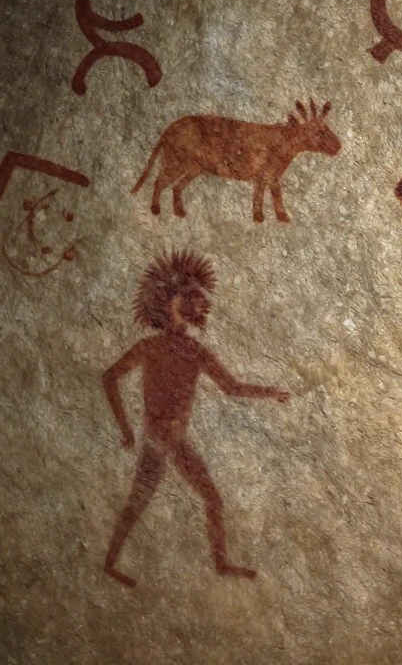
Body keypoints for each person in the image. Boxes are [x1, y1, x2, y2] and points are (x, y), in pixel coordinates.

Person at [102, 249, 288, 586]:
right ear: (171, 301)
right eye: (192, 296)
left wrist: (270, 392)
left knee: (202, 499)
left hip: (173, 440)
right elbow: (109, 377)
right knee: (140, 502)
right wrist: (126, 430)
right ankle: (111, 562)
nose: (202, 302)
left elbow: (231, 387)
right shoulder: (152, 348)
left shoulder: (192, 351)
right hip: (160, 441)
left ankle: (220, 563)